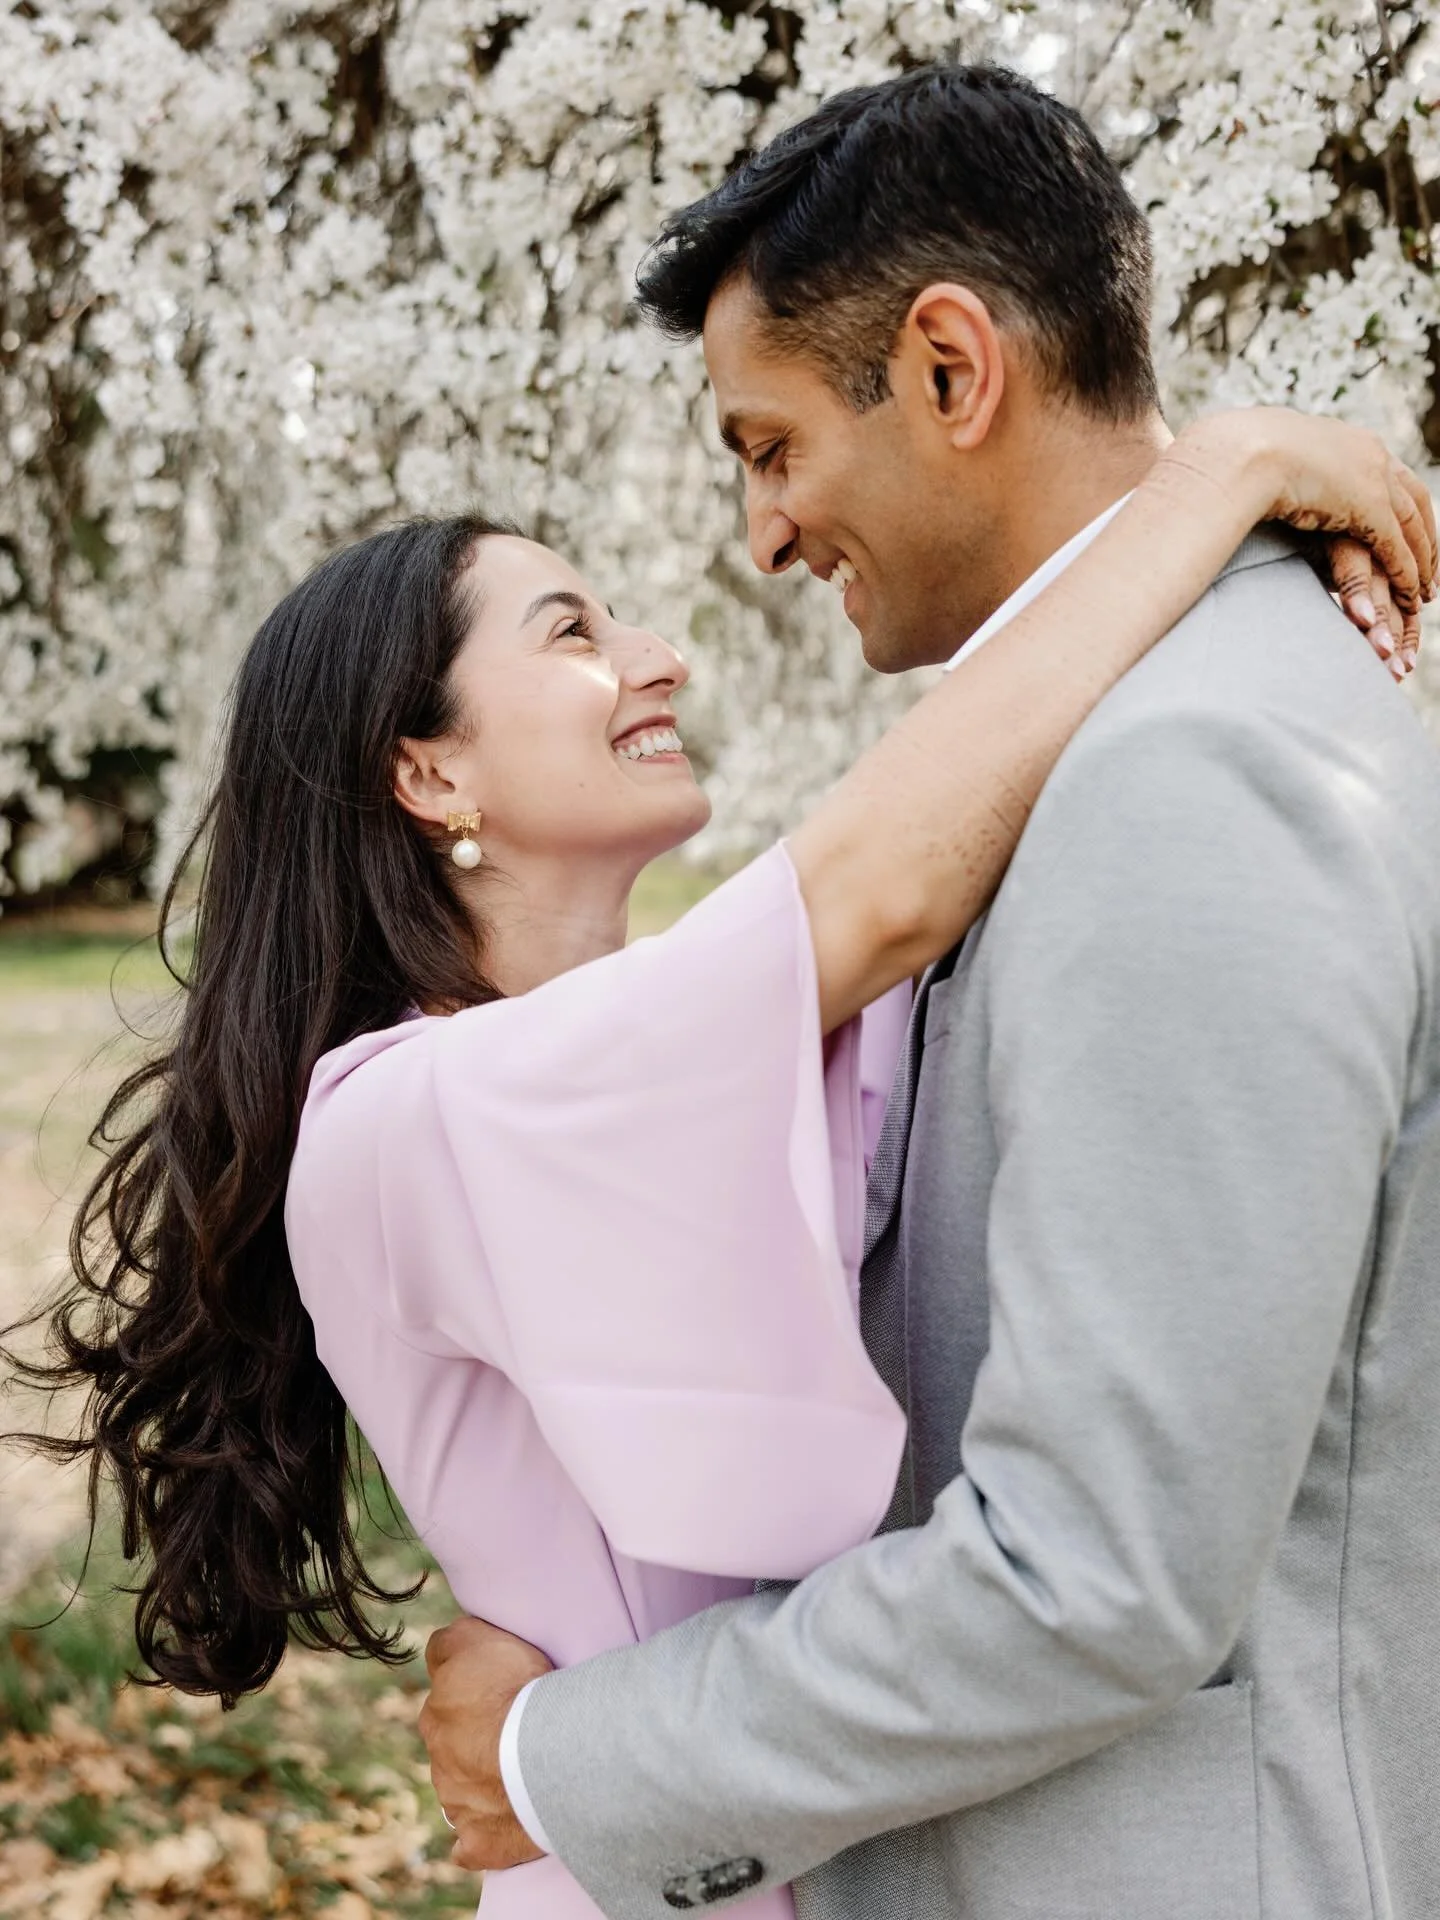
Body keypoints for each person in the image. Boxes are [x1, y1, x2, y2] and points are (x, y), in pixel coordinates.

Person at [416, 63, 1440, 1920]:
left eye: (770, 444)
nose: (762, 537)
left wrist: (572, 1757)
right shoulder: (1091, 748)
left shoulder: (1192, 776)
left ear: (952, 371)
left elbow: (1093, 1576)